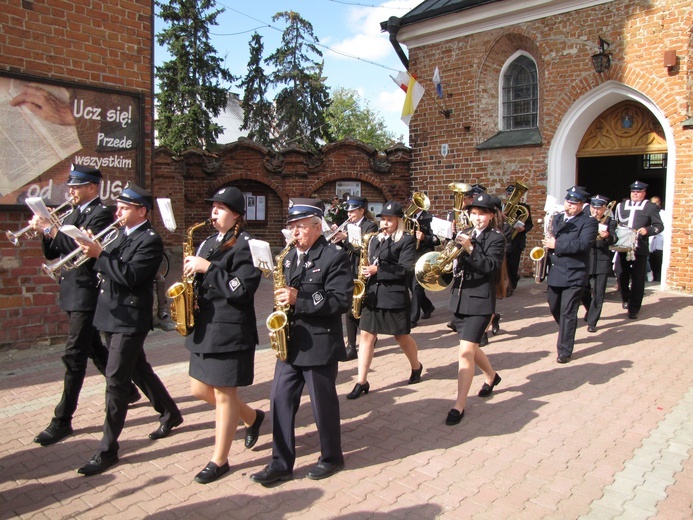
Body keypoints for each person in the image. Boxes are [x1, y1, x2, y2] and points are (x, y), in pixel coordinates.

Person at [74, 183, 182, 476]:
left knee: (116, 381)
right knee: (138, 369)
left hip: (130, 319)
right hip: (110, 314)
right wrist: (93, 250)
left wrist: (100, 255)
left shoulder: (150, 241)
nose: (117, 212)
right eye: (118, 207)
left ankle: (107, 450)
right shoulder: (118, 234)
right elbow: (103, 268)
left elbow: (130, 276)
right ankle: (171, 412)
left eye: (124, 208)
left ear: (142, 211)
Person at [29, 165, 140, 446]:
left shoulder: (102, 214)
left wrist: (53, 230)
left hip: (87, 293)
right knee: (92, 347)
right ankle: (127, 390)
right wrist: (46, 230)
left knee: (74, 355)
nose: (71, 191)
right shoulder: (72, 213)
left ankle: (62, 420)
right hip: (72, 290)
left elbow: (84, 251)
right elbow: (53, 251)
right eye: (71, 186)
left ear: (92, 187)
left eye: (76, 187)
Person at [250, 199, 353, 485]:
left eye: (300, 227)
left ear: (317, 228)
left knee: (323, 405)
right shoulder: (289, 256)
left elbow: (340, 300)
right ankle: (280, 463)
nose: (294, 232)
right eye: (292, 227)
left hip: (319, 344)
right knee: (279, 401)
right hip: (290, 342)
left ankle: (332, 457)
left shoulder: (334, 256)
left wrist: (301, 299)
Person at [183, 187, 265, 484]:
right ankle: (254, 418)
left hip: (230, 330)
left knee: (224, 394)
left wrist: (208, 268)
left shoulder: (248, 245)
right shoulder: (207, 242)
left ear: (237, 215)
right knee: (198, 390)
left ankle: (219, 460)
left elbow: (242, 291)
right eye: (213, 207)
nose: (213, 212)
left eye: (220, 208)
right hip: (205, 327)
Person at [346, 201, 424, 400]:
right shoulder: (374, 239)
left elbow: (404, 269)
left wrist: (377, 270)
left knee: (401, 337)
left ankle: (416, 366)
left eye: (390, 220)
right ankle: (361, 381)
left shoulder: (406, 240)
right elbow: (367, 259)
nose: (385, 223)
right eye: (383, 219)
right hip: (372, 294)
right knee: (366, 337)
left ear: (399, 221)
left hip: (394, 296)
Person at [445, 193, 506, 425]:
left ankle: (459, 404)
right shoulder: (467, 233)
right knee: (469, 348)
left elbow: (490, 266)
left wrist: (470, 249)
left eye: (482, 214)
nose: (477, 218)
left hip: (480, 301)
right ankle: (492, 376)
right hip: (461, 299)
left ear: (491, 215)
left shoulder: (496, 238)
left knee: (465, 352)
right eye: (473, 213)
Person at [544, 186, 598, 363]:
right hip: (556, 271)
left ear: (583, 205)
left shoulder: (589, 222)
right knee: (554, 306)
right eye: (568, 202)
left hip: (574, 273)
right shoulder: (557, 218)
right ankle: (568, 329)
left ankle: (564, 350)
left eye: (574, 204)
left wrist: (556, 245)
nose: (570, 206)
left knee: (568, 312)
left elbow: (583, 245)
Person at [329, 195, 379, 361]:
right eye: (348, 211)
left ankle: (368, 337)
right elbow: (346, 248)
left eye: (352, 211)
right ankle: (351, 345)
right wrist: (338, 238)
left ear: (361, 211)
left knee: (359, 308)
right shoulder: (349, 226)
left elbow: (366, 250)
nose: (349, 214)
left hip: (362, 269)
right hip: (348, 269)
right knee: (349, 308)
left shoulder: (369, 226)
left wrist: (347, 238)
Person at [614, 181, 664, 319]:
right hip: (623, 246)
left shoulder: (650, 207)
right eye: (633, 192)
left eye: (638, 191)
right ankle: (626, 297)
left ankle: (634, 308)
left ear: (644, 193)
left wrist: (646, 230)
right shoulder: (621, 206)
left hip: (639, 247)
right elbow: (616, 223)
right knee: (620, 273)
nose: (635, 194)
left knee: (638, 278)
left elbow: (659, 226)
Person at [581, 195, 617, 333]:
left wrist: (607, 236)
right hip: (586, 259)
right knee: (583, 289)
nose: (596, 211)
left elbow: (614, 238)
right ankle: (590, 310)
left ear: (604, 208)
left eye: (599, 208)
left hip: (601, 260)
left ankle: (592, 321)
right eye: (593, 208)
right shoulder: (584, 219)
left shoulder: (610, 221)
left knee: (599, 292)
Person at [408, 195, 441, 327]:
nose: (412, 205)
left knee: (416, 287)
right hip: (411, 255)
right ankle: (427, 307)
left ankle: (412, 318)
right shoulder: (408, 218)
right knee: (411, 286)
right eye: (412, 202)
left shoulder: (429, 218)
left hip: (424, 256)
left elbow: (437, 239)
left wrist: (424, 237)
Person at [503, 184, 534, 296]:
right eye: (510, 194)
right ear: (506, 194)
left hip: (517, 241)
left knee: (513, 265)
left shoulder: (524, 208)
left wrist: (523, 228)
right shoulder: (502, 207)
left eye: (514, 194)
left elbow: (530, 224)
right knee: (503, 265)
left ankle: (511, 286)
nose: (511, 196)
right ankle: (503, 286)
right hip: (505, 239)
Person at [648, 196, 665, 282]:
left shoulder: (664, 213)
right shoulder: (648, 212)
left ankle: (659, 276)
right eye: (653, 203)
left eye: (657, 202)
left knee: (659, 259)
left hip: (660, 239)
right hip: (650, 239)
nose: (656, 204)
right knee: (649, 259)